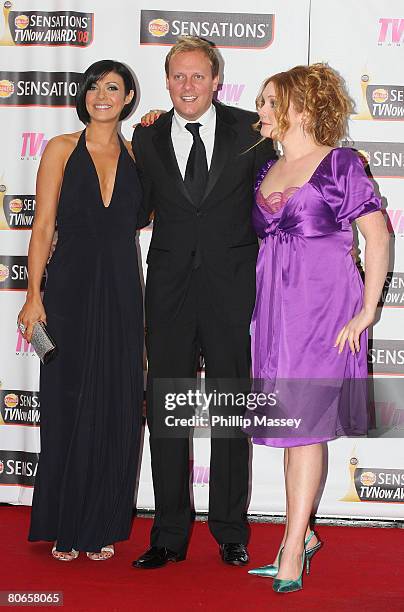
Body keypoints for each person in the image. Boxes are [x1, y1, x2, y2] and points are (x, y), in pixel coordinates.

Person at [131, 36, 276, 569]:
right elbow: (137, 209)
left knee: (230, 413)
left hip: (230, 291)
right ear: (166, 80)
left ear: (217, 81)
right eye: (178, 76)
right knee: (167, 412)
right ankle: (168, 534)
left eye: (198, 76)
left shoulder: (252, 132)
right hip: (168, 291)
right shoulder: (144, 139)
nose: (187, 86)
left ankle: (231, 530)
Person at [245, 64, 389, 592]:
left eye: (268, 101)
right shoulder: (268, 167)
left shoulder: (340, 163)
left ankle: (291, 550)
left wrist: (368, 309)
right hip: (277, 313)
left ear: (300, 107)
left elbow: (377, 238)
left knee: (304, 427)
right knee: (291, 428)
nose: (259, 110)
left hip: (325, 308)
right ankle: (296, 536)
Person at [18, 60, 147, 561]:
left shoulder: (139, 155)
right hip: (69, 289)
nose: (100, 94)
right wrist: (34, 294)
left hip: (121, 290)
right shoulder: (60, 149)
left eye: (112, 87)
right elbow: (43, 226)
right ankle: (66, 520)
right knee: (68, 402)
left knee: (116, 403)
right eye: (93, 86)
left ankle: (101, 522)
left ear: (129, 97)